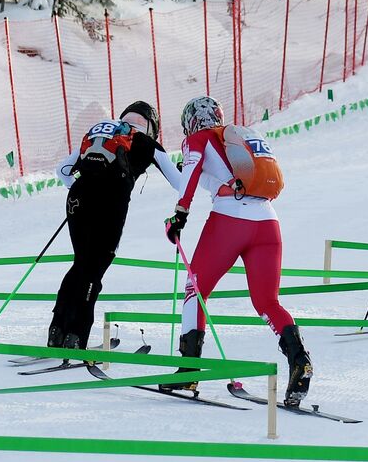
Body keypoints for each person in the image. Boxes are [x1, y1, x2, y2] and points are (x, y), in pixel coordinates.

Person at [162, 95, 312, 406]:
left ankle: (188, 371)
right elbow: (220, 180)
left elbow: (190, 174)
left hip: (230, 222)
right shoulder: (241, 137)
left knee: (196, 291)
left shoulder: (199, 138)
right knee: (267, 301)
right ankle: (300, 360)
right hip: (267, 222)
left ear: (190, 122)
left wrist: (180, 214)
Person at [49, 101, 181, 349]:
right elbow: (180, 184)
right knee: (95, 268)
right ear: (151, 126)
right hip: (111, 202)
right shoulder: (147, 142)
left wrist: (84, 188)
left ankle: (57, 330)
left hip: (77, 198)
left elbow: (63, 171)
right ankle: (77, 336)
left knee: (80, 262)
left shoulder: (104, 131)